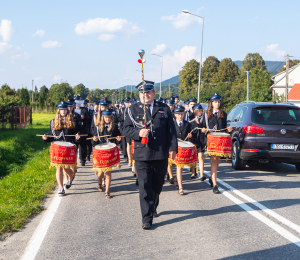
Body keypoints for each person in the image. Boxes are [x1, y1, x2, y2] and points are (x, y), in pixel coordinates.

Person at [123, 80, 178, 230]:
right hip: (142, 155)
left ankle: (153, 204)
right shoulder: (133, 110)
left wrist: (173, 148)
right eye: (142, 93)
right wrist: (138, 133)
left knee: (157, 185)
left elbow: (171, 131)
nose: (145, 95)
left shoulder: (164, 108)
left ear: (154, 93)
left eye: (148, 92)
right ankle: (146, 218)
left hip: (160, 153)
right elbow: (125, 129)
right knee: (144, 186)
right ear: (139, 94)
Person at [42, 102, 81, 196]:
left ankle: (70, 178)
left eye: (64, 109)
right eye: (61, 109)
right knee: (58, 168)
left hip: (68, 148)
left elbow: (75, 135)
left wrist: (77, 137)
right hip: (57, 148)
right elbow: (52, 136)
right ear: (58, 110)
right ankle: (61, 188)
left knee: (66, 167)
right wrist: (46, 138)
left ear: (67, 110)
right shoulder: (53, 121)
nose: (63, 111)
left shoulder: (72, 121)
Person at [201, 93, 232, 194]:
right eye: (215, 102)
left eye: (219, 102)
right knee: (213, 162)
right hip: (211, 141)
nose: (217, 103)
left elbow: (225, 129)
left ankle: (211, 178)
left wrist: (229, 130)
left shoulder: (224, 114)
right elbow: (202, 127)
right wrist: (203, 130)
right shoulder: (206, 114)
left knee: (217, 162)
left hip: (221, 142)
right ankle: (215, 185)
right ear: (212, 103)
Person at [91, 110, 121, 198]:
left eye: (109, 117)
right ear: (103, 118)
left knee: (108, 172)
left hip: (109, 152)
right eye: (106, 117)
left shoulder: (115, 127)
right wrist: (94, 140)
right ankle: (100, 183)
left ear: (111, 117)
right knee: (100, 172)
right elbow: (93, 143)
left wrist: (118, 139)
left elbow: (115, 140)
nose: (107, 119)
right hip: (100, 152)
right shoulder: (97, 127)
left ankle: (107, 191)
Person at [171, 107, 192, 195]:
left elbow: (191, 134)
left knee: (181, 166)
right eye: (178, 114)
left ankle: (176, 178)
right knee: (179, 167)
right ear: (175, 115)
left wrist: (190, 136)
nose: (180, 116)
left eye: (182, 114)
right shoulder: (172, 124)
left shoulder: (187, 124)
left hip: (184, 148)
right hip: (176, 147)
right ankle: (180, 187)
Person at [189, 104, 206, 181]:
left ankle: (202, 175)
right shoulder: (191, 119)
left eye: (201, 110)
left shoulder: (203, 119)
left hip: (201, 141)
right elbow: (190, 130)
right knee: (194, 158)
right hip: (194, 141)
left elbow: (204, 127)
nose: (200, 112)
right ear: (195, 111)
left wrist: (203, 128)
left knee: (201, 158)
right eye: (199, 110)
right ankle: (193, 172)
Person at [118, 97, 132, 166]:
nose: (127, 103)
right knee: (128, 144)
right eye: (126, 102)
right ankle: (129, 159)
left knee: (132, 144)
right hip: (126, 128)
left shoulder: (133, 108)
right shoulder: (122, 109)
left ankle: (133, 159)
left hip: (133, 128)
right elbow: (120, 119)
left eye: (128, 102)